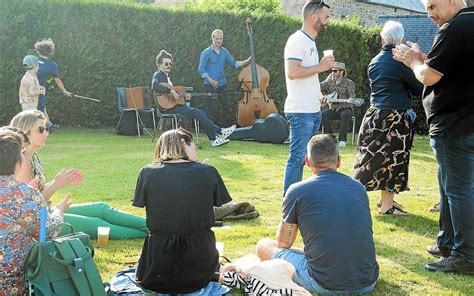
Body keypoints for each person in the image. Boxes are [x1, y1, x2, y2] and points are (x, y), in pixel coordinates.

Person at [393, 0, 474, 274]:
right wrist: (423, 59)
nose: (429, 14)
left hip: (454, 124)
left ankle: (465, 255)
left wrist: (413, 62)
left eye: (433, 6)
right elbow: (453, 68)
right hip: (464, 122)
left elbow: (428, 77)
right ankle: (447, 242)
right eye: (427, 8)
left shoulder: (455, 27)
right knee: (449, 186)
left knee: (458, 191)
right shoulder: (468, 23)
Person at [256, 134, 379, 294]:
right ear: (339, 161)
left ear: (307, 161)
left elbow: (283, 244)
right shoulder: (358, 188)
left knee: (264, 246)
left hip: (323, 282)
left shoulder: (297, 190)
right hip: (367, 281)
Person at [10, 110, 148, 239]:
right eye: (41, 129)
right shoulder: (21, 162)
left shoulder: (33, 157)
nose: (46, 133)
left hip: (47, 212)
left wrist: (58, 182)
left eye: (46, 128)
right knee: (98, 225)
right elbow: (29, 204)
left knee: (101, 208)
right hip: (39, 224)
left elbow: (36, 192)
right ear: (25, 132)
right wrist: (57, 184)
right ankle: (154, 232)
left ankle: (157, 227)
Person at [132, 128, 232, 293]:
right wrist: (202, 173)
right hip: (200, 260)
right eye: (194, 146)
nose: (196, 150)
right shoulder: (208, 172)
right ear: (184, 143)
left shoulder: (147, 172)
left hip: (158, 263)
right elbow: (211, 203)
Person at [353, 21, 423, 216]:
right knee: (394, 159)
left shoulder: (374, 61)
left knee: (369, 159)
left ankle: (375, 201)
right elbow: (418, 88)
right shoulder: (401, 61)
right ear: (400, 39)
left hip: (374, 115)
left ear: (382, 39)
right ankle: (387, 205)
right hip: (397, 117)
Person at [0, 131, 69, 295]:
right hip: (10, 284)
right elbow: (48, 234)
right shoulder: (24, 195)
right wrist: (59, 211)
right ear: (17, 164)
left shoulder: (24, 194)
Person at [282, 0, 335, 194]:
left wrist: (318, 95)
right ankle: (290, 200)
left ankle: (306, 196)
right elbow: (292, 72)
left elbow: (308, 76)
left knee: (310, 159)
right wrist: (321, 67)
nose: (328, 20)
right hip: (300, 111)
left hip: (312, 109)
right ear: (314, 17)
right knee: (297, 158)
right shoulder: (297, 40)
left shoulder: (310, 41)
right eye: (326, 16)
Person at [153, 50, 236, 147]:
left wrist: (184, 97)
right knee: (197, 112)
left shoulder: (168, 79)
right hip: (167, 109)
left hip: (174, 106)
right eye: (166, 63)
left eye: (170, 64)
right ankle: (220, 131)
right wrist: (171, 91)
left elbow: (174, 98)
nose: (169, 66)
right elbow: (155, 86)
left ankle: (214, 140)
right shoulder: (158, 75)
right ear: (159, 64)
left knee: (202, 113)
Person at [197, 29, 251, 126]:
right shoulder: (206, 52)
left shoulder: (224, 52)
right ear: (212, 38)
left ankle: (222, 128)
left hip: (222, 83)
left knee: (226, 107)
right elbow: (201, 69)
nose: (219, 41)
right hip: (209, 85)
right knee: (210, 109)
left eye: (221, 39)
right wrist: (211, 81)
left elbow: (234, 64)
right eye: (217, 39)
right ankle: (211, 129)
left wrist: (247, 61)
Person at [34, 38, 73, 131]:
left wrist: (64, 91)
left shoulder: (33, 60)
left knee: (41, 109)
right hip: (39, 90)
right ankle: (47, 126)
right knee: (41, 109)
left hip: (30, 89)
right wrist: (64, 91)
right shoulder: (52, 65)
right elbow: (57, 80)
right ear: (50, 52)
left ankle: (48, 126)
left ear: (38, 50)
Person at [320, 61, 355, 147]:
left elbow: (352, 95)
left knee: (345, 114)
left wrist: (351, 99)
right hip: (333, 108)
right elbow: (319, 88)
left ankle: (342, 140)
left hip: (345, 107)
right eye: (332, 71)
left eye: (335, 71)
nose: (333, 73)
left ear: (342, 71)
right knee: (324, 114)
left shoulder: (349, 82)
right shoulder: (330, 82)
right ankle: (330, 139)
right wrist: (327, 80)